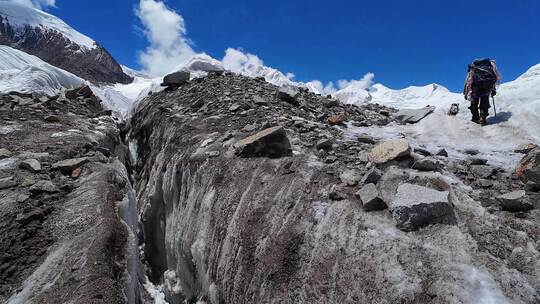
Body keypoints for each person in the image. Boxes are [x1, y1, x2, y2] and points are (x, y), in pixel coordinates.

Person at [463, 59, 501, 125]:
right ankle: (483, 115)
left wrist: (466, 92)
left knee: (474, 103)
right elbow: (493, 79)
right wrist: (493, 89)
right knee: (484, 101)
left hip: (475, 88)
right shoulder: (489, 68)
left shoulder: (473, 68)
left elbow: (468, 80)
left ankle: (475, 118)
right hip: (486, 88)